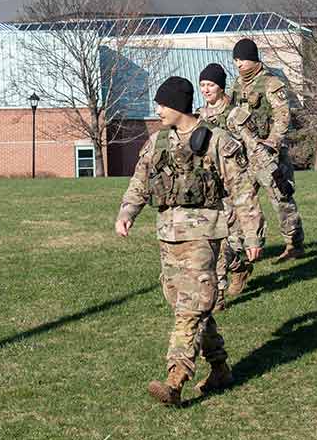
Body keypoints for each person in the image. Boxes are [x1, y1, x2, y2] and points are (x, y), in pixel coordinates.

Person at [115, 76, 264, 406]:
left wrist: (254, 234)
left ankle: (175, 378)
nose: (157, 110)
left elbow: (242, 191)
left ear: (176, 105)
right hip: (169, 235)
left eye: (161, 105)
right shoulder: (158, 143)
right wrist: (127, 212)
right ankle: (220, 368)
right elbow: (140, 181)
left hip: (203, 235)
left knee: (189, 309)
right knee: (189, 305)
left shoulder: (217, 142)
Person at [230, 38, 304, 262]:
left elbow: (283, 116)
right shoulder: (237, 84)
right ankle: (242, 246)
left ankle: (294, 244)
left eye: (242, 59)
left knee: (281, 200)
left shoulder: (271, 82)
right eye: (236, 60)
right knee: (242, 200)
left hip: (268, 155)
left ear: (253, 59)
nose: (239, 64)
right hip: (245, 154)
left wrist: (272, 141)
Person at [198, 63, 262, 303]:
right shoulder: (201, 115)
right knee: (215, 239)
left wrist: (257, 179)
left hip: (236, 183)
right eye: (202, 85)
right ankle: (225, 287)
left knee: (232, 240)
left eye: (210, 85)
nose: (205, 89)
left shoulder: (236, 115)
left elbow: (254, 148)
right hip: (211, 187)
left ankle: (229, 280)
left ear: (220, 86)